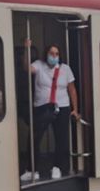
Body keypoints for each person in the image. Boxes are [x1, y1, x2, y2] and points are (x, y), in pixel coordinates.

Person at [21, 39, 79, 182]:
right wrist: (26, 50)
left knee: (61, 139)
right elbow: (26, 68)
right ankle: (33, 170)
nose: (54, 56)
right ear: (46, 54)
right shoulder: (39, 65)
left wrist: (75, 109)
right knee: (34, 138)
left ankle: (57, 167)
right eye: (51, 53)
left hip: (62, 106)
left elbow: (72, 89)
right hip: (42, 107)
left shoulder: (65, 69)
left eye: (56, 53)